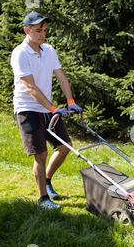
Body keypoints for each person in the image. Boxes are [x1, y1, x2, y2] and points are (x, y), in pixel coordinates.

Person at [10, 11, 82, 210]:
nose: (42, 34)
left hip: (48, 107)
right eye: (38, 30)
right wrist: (53, 108)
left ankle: (47, 180)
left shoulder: (49, 50)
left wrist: (70, 101)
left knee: (65, 146)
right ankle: (43, 199)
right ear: (27, 30)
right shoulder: (20, 53)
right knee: (40, 154)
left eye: (45, 30)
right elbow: (30, 87)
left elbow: (60, 75)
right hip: (27, 108)